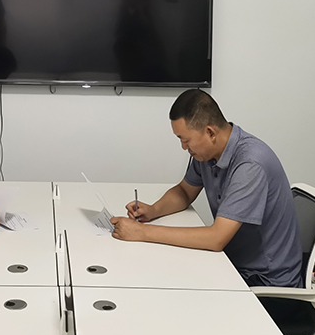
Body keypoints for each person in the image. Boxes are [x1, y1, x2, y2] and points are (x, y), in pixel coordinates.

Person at [110, 89, 303, 287]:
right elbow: (184, 192)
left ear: (210, 132)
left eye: (186, 140)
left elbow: (216, 238)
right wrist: (153, 210)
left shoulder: (250, 164)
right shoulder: (207, 154)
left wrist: (142, 232)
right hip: (233, 263)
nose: (184, 147)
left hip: (265, 281)